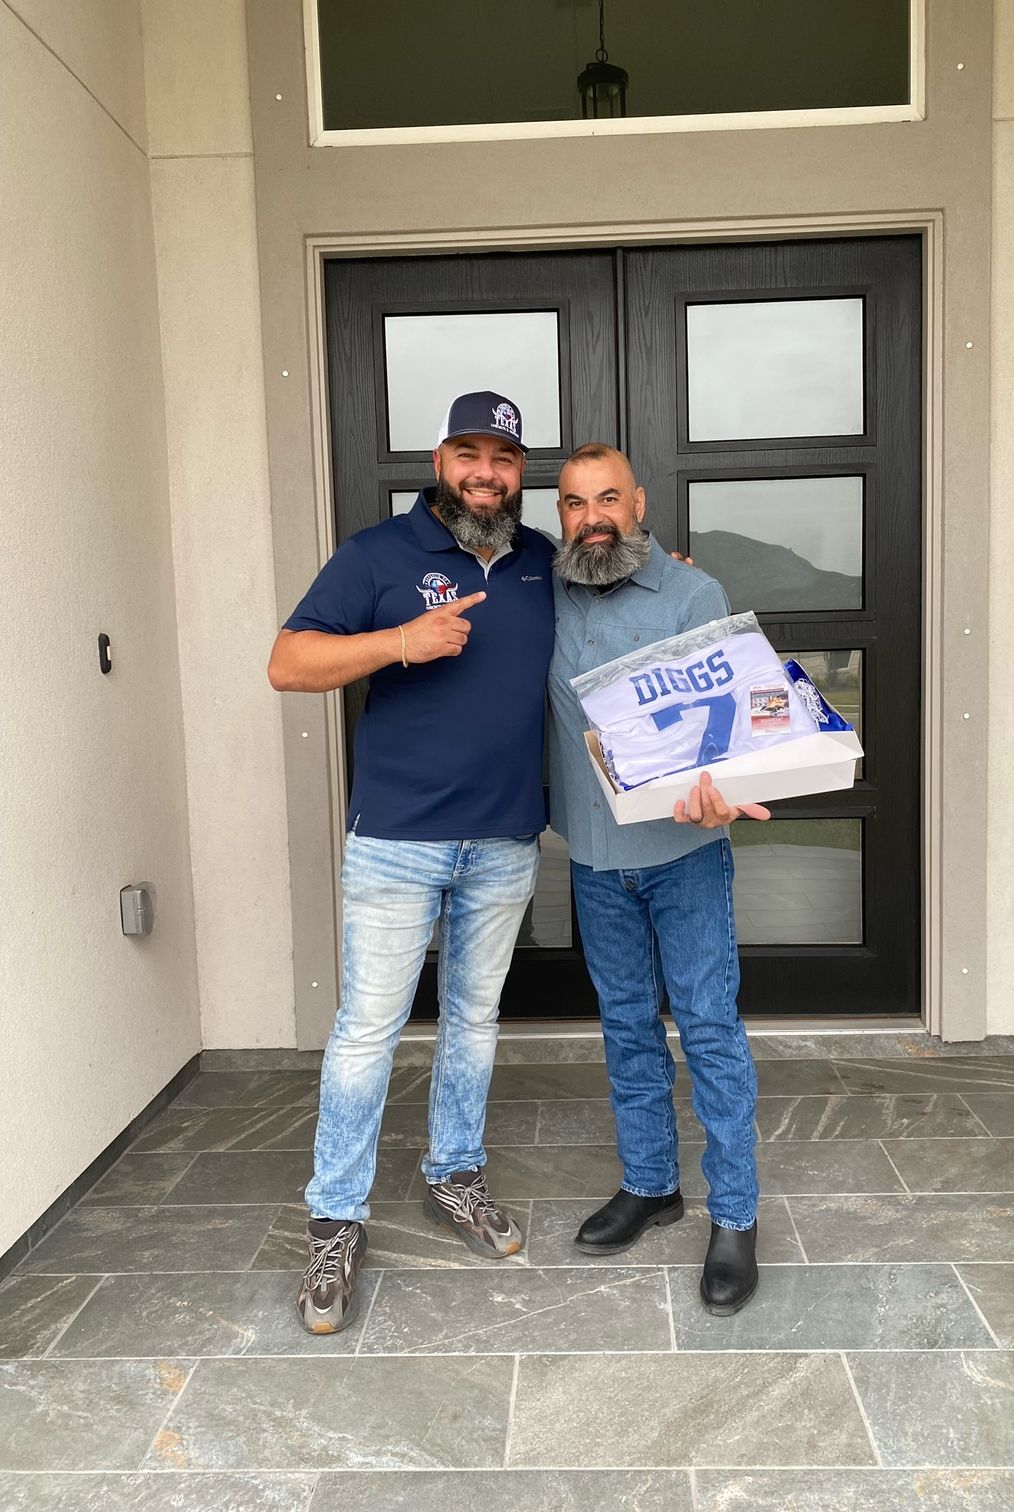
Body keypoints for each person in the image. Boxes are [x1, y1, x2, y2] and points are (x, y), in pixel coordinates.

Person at [268, 392, 554, 1334]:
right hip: (397, 839)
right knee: (367, 1031)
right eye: (470, 453)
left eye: (504, 458)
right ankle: (336, 1219)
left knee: (473, 1019)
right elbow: (288, 661)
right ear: (441, 460)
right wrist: (400, 643)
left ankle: (453, 1175)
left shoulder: (542, 563)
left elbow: (618, 609)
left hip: (505, 839)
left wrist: (660, 569)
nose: (487, 472)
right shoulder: (377, 557)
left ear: (521, 472)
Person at [548, 442, 770, 1315]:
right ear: (558, 516)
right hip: (596, 857)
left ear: (638, 503)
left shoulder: (694, 594)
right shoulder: (546, 592)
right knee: (627, 1026)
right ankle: (651, 1185)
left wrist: (727, 789)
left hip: (684, 858)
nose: (592, 516)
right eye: (573, 503)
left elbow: (747, 723)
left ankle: (736, 1216)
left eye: (608, 498)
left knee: (710, 1027)